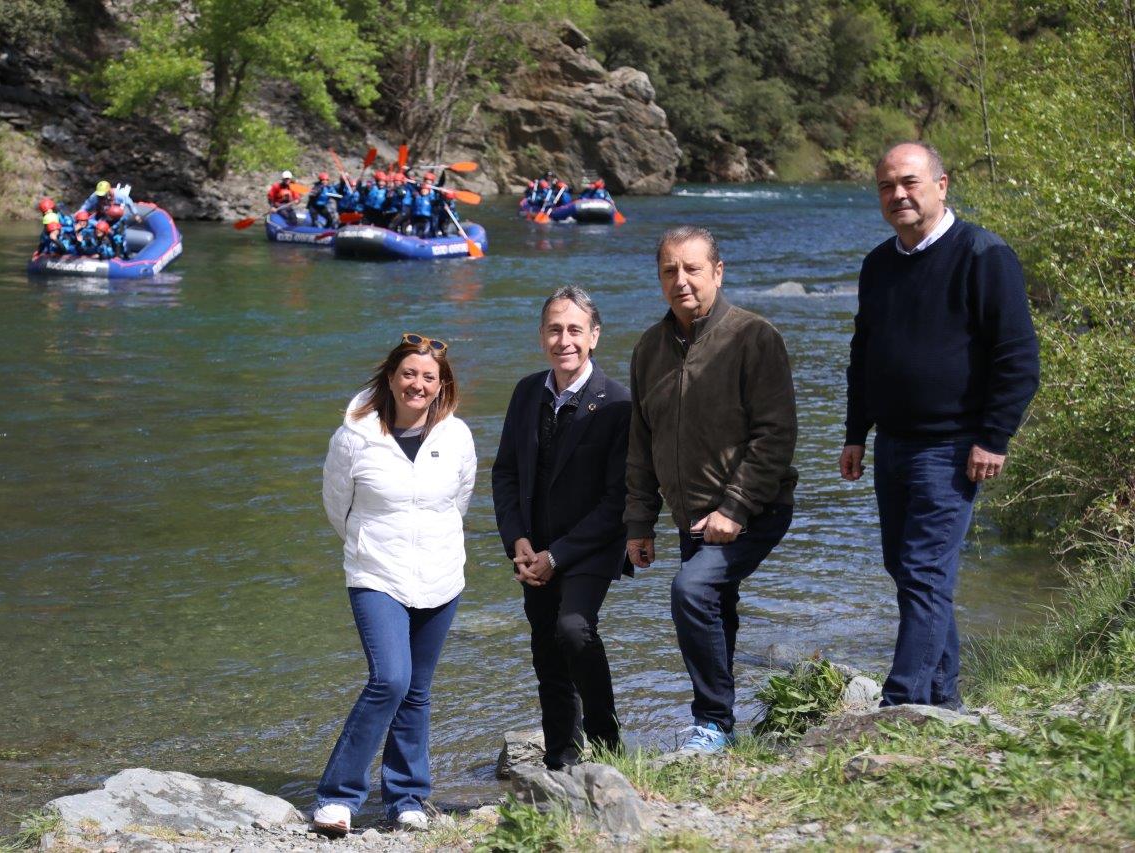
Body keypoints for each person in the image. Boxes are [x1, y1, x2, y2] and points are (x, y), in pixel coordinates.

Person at [840, 141, 1040, 710]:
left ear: (942, 184)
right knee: (906, 571)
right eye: (886, 186)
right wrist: (857, 431)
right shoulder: (879, 264)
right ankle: (944, 701)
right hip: (893, 445)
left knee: (925, 571)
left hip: (953, 447)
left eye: (909, 182)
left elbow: (1018, 358)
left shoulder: (983, 254)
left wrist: (993, 437)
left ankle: (900, 707)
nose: (898, 195)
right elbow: (864, 354)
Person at [625, 225, 798, 753]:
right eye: (670, 270)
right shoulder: (649, 349)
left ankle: (712, 722)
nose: (682, 280)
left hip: (754, 507)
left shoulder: (754, 337)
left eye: (693, 268)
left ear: (717, 273)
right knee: (714, 604)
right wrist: (638, 523)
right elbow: (641, 444)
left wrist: (735, 507)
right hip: (690, 513)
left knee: (691, 591)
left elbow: (776, 434)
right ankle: (723, 727)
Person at [313, 334, 477, 837]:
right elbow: (336, 506)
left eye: (430, 377)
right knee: (390, 679)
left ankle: (406, 798)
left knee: (417, 691)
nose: (418, 384)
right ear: (390, 377)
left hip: (441, 577)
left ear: (441, 385)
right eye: (409, 374)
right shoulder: (354, 437)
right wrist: (369, 544)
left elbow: (461, 500)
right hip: (376, 574)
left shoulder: (457, 437)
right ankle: (338, 796)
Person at [491, 286, 632, 769]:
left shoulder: (617, 403)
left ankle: (609, 748)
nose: (564, 339)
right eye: (554, 328)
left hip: (591, 547)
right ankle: (561, 761)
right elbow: (506, 472)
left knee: (574, 630)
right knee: (548, 652)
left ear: (594, 336)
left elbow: (619, 501)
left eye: (575, 329)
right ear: (541, 336)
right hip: (533, 550)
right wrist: (519, 543)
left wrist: (558, 556)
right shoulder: (527, 391)